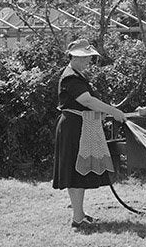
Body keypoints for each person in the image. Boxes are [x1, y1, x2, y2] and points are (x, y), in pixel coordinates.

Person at [52, 38, 127, 228]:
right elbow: (87, 101)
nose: (88, 61)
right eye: (85, 58)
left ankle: (80, 214)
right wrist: (113, 111)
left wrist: (99, 114)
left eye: (89, 58)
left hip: (80, 126)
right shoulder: (71, 77)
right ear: (75, 57)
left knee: (80, 170)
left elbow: (85, 103)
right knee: (76, 171)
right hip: (73, 128)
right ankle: (77, 218)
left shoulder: (76, 75)